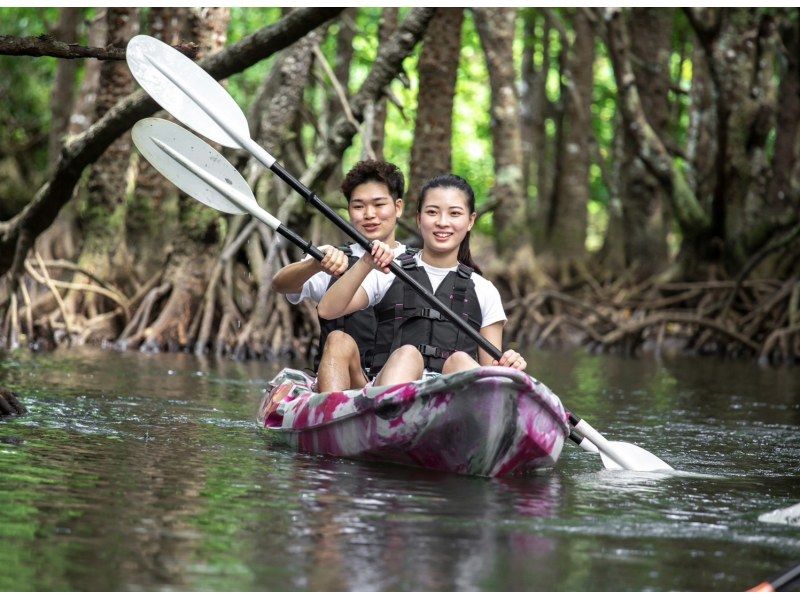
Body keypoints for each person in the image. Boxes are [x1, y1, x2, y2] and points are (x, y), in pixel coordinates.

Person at [318, 173, 526, 387]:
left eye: (454, 213)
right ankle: (384, 413)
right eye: (432, 212)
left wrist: (507, 366)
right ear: (419, 219)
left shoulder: (484, 289)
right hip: (387, 390)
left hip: (451, 399)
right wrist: (365, 263)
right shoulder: (389, 270)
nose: (442, 222)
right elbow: (327, 310)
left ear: (470, 220)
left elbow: (491, 369)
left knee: (460, 361)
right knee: (403, 353)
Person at [271, 160, 408, 392]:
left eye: (379, 204)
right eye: (358, 206)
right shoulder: (332, 259)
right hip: (342, 379)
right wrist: (314, 264)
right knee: (338, 339)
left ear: (398, 207)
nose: (369, 215)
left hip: (395, 383)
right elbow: (280, 284)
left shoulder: (418, 263)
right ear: (349, 210)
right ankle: (331, 412)